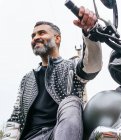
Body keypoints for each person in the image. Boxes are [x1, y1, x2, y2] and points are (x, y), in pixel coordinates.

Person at [3, 6, 102, 140]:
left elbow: (92, 65)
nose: (35, 38)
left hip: (61, 134)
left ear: (57, 39)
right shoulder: (27, 79)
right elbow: (16, 117)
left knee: (72, 101)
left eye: (41, 33)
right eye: (33, 35)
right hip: (30, 137)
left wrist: (90, 31)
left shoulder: (71, 66)